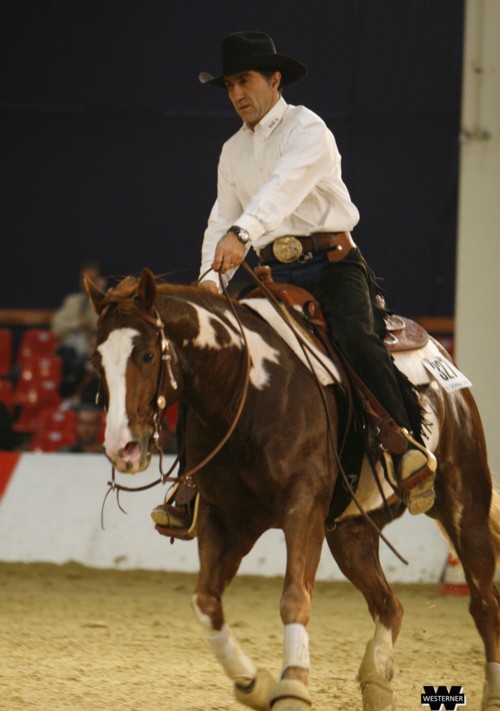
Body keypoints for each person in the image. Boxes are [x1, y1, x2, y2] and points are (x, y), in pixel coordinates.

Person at [152, 31, 435, 530]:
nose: (237, 93)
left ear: (274, 79)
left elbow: (281, 192)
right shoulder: (232, 151)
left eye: (245, 81)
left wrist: (242, 233)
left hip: (333, 265)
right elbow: (220, 219)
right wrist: (207, 288)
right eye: (230, 85)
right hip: (271, 273)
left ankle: (404, 445)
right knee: (208, 355)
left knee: (354, 337)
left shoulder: (310, 131)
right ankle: (191, 479)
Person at [51, 260, 106, 398]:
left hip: (92, 353)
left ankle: (77, 400)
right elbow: (56, 327)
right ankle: (66, 399)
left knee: (82, 366)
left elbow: (102, 325)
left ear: (100, 280)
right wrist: (76, 324)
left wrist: (98, 296)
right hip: (69, 351)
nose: (87, 282)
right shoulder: (72, 301)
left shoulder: (106, 302)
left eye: (92, 279)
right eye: (84, 279)